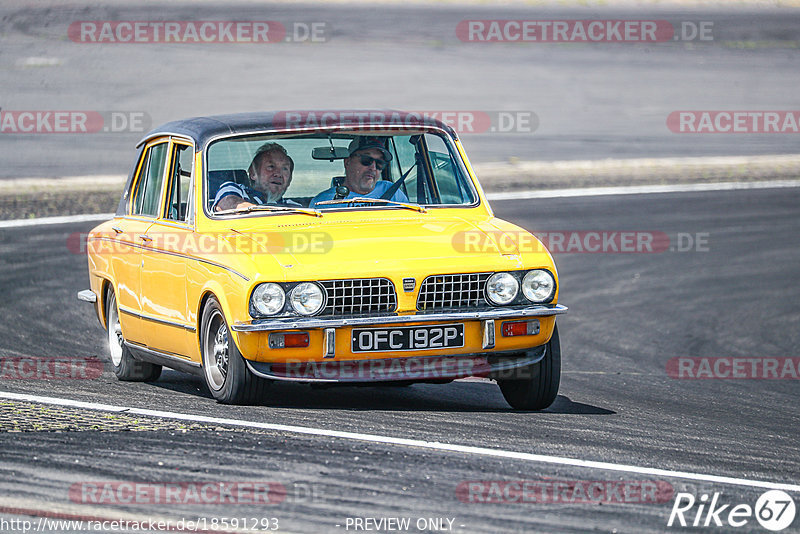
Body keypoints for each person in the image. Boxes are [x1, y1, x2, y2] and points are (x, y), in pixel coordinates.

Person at [309, 137, 409, 208]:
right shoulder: (322, 203)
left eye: (380, 163)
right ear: (347, 162)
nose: (373, 168)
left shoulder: (393, 193)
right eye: (366, 160)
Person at [213, 142, 300, 211]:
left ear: (289, 180)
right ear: (253, 173)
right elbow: (229, 204)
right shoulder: (234, 190)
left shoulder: (294, 207)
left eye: (285, 169)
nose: (278, 173)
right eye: (271, 166)